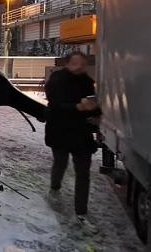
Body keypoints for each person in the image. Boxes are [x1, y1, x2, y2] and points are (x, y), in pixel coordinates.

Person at [44, 51, 100, 232]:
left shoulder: (87, 82)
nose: (79, 66)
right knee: (60, 162)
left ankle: (81, 211)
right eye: (75, 62)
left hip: (81, 134)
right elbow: (55, 104)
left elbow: (93, 106)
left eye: (83, 63)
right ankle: (55, 188)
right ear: (67, 63)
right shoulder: (57, 79)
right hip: (60, 131)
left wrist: (94, 115)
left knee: (83, 173)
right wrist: (78, 107)